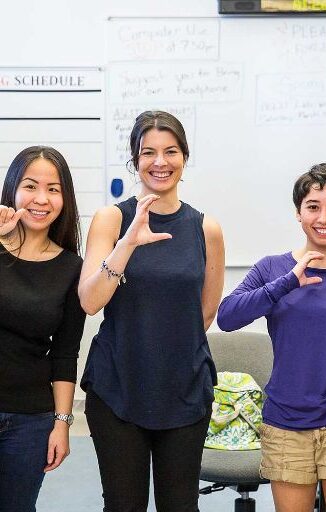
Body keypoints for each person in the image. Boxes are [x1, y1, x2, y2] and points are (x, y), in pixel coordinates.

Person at [217, 163, 326, 512]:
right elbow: (227, 317)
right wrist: (287, 282)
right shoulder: (272, 269)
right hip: (286, 423)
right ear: (299, 213)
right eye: (313, 207)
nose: (324, 217)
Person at [78, 111, 225, 512]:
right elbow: (90, 301)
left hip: (183, 389)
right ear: (135, 160)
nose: (160, 162)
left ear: (184, 157)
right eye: (149, 152)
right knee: (123, 505)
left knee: (181, 505)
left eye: (171, 151)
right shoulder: (112, 218)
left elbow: (205, 313)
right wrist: (127, 244)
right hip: (118, 387)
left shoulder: (205, 227)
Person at [0, 146, 85, 512]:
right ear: (12, 190)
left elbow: (65, 354)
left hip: (29, 418)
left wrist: (62, 424)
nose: (41, 199)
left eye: (53, 189)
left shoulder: (72, 268)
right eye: (31, 186)